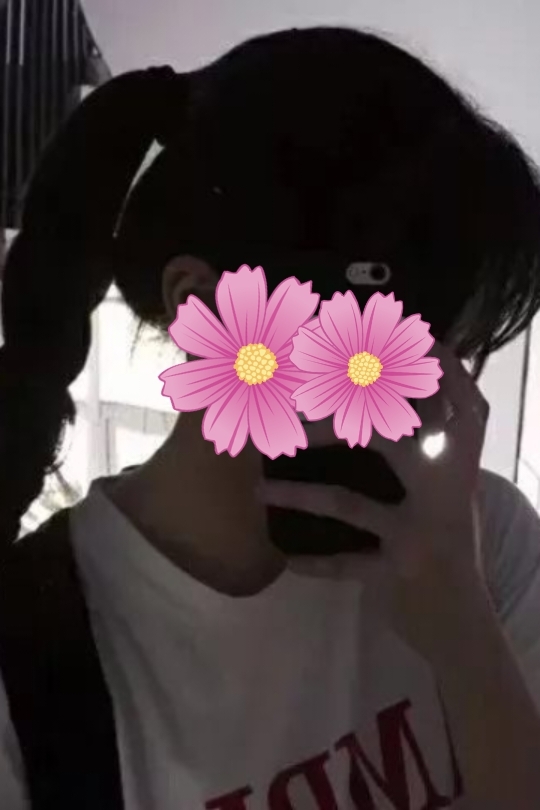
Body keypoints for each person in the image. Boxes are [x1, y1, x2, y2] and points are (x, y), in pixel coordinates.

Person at [1, 25, 540, 810]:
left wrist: (463, 636)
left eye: (454, 344)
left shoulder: (482, 549)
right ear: (202, 306)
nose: (437, 389)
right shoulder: (31, 674)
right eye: (392, 336)